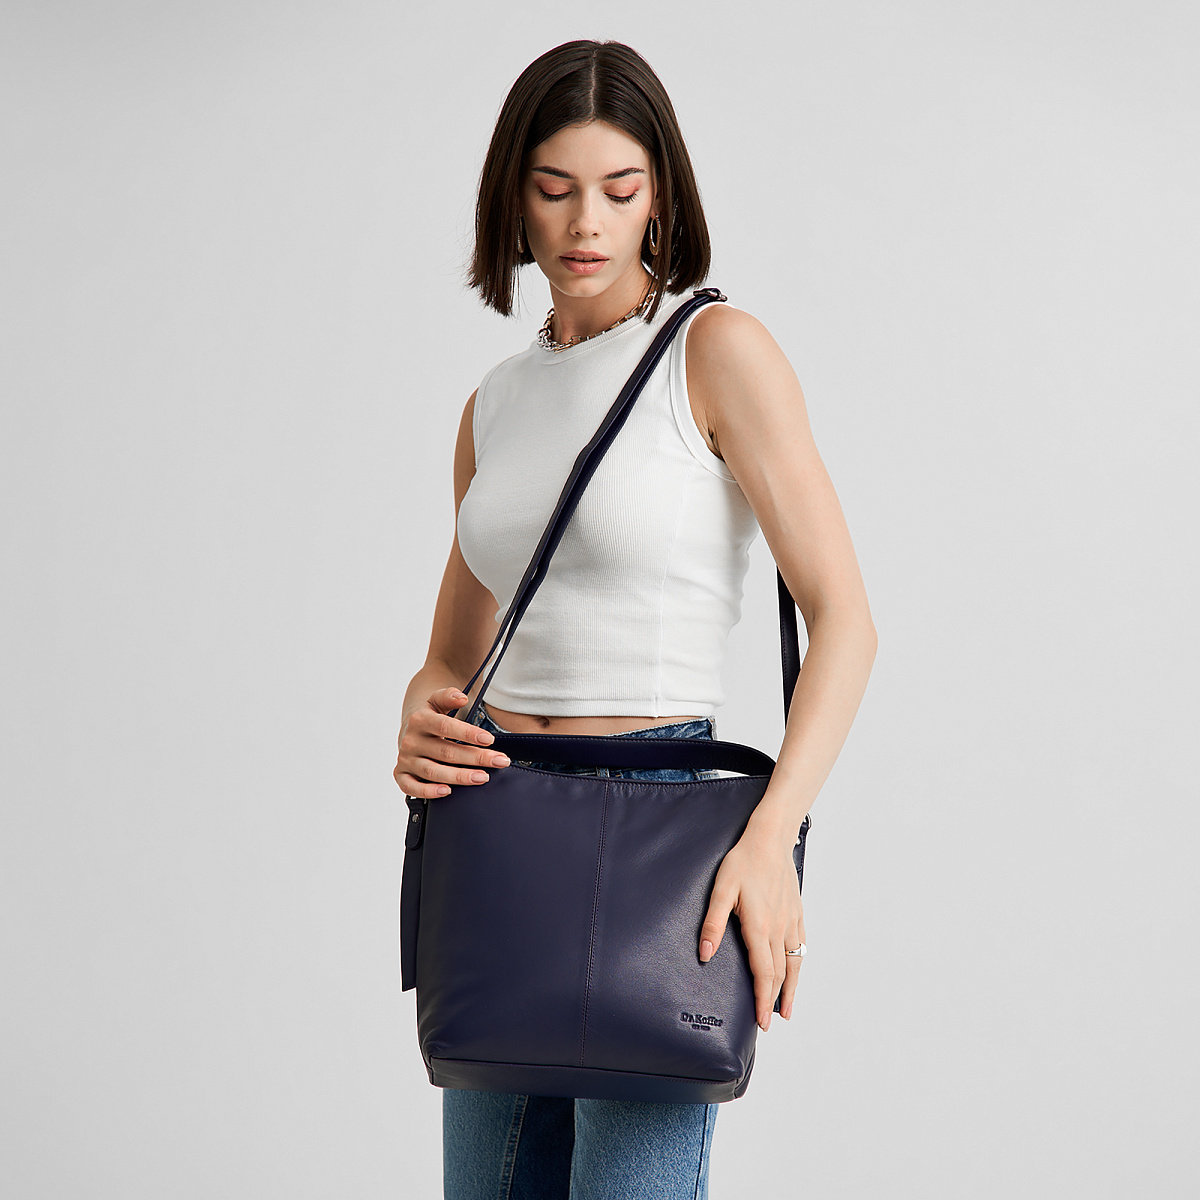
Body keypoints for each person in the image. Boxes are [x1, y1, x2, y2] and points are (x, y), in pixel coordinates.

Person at [394, 39, 877, 1200]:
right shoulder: (496, 402)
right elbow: (454, 651)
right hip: (500, 820)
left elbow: (845, 620)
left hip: (664, 829)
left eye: (620, 190)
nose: (586, 224)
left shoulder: (715, 352)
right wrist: (420, 712)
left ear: (661, 195)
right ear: (514, 196)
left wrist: (771, 839)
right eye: (555, 188)